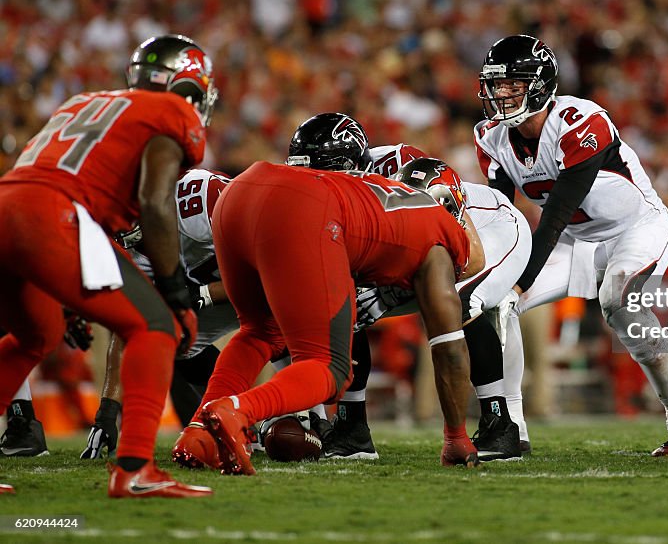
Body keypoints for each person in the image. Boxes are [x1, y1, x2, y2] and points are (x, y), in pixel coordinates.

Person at [0, 34, 216, 498]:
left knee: (35, 335)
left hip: (9, 204)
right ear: (187, 85)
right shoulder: (172, 112)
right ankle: (135, 468)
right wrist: (176, 289)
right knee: (156, 326)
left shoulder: (83, 102)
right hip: (51, 216)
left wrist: (66, 293)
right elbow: (155, 202)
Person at [474, 34, 668, 456]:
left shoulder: (581, 122)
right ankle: (509, 429)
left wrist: (520, 284)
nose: (502, 93)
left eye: (514, 83)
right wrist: (496, 281)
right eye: (497, 84)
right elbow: (505, 219)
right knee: (492, 306)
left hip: (635, 228)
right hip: (574, 241)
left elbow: (555, 214)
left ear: (541, 83)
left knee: (618, 301)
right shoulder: (490, 138)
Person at [186, 159, 487, 475]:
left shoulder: (383, 194)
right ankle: (236, 411)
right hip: (303, 209)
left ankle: (197, 434)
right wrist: (457, 436)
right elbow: (450, 350)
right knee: (330, 368)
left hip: (241, 190)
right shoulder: (443, 237)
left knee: (260, 332)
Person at [283, 113, 527, 461]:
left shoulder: (403, 170)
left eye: (319, 172)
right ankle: (352, 429)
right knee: (342, 303)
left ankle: (499, 425)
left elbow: (464, 255)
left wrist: (390, 292)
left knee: (458, 302)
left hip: (489, 232)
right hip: (424, 252)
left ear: (348, 165)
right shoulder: (322, 199)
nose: (310, 182)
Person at [75, 168, 235, 461]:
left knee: (278, 335)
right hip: (223, 289)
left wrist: (205, 294)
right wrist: (107, 412)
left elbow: (264, 267)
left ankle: (307, 419)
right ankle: (233, 417)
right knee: (185, 345)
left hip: (263, 280)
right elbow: (130, 326)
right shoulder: (135, 251)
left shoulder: (198, 198)